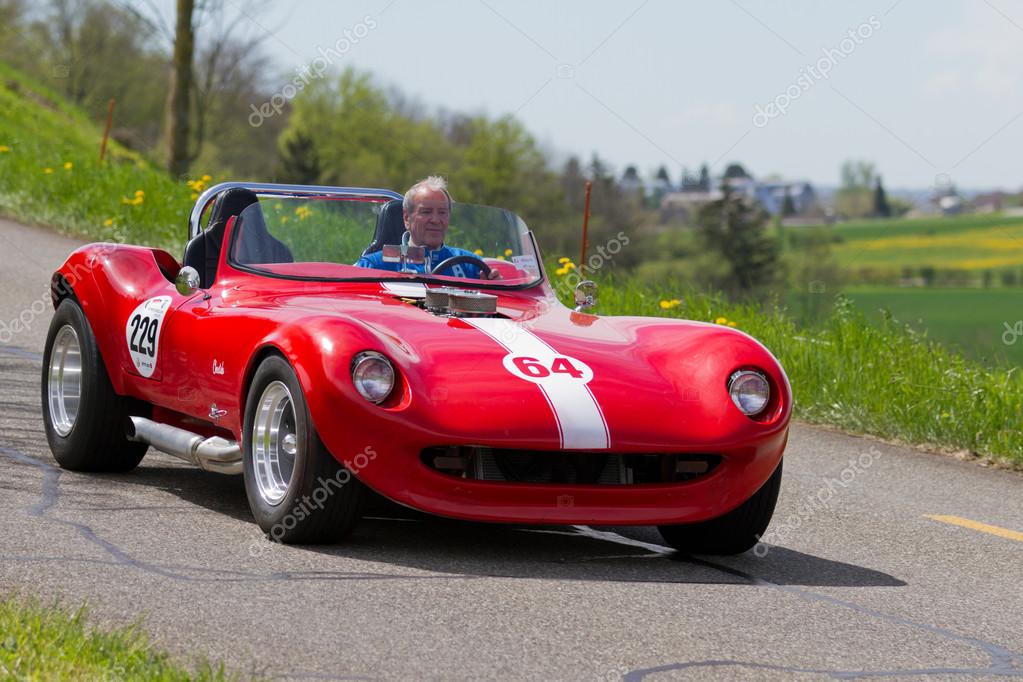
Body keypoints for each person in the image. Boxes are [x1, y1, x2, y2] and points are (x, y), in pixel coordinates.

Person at [356, 176, 501, 279]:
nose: (436, 220)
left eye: (442, 212)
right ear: (407, 218)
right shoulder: (374, 265)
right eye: (426, 212)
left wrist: (496, 288)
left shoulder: (472, 265)